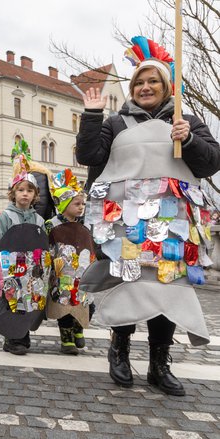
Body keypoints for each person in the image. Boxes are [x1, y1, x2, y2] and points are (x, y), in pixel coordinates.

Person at [76, 36, 220, 396]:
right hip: (126, 222)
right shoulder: (116, 122)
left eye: (152, 81)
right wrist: (93, 116)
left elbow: (209, 163)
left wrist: (189, 140)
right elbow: (90, 156)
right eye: (138, 82)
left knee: (166, 289)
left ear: (166, 85)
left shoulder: (186, 120)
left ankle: (159, 363)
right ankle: (120, 351)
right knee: (129, 285)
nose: (144, 87)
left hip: (172, 224)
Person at [0, 143, 49, 356]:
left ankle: (23, 335)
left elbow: (42, 246)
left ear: (35, 195)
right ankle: (12, 337)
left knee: (29, 301)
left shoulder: (39, 219)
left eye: (29, 190)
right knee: (12, 302)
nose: (25, 194)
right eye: (21, 190)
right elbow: (1, 241)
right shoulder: (7, 216)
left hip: (31, 271)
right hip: (11, 269)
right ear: (13, 193)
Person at [45, 169, 96, 355]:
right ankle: (66, 337)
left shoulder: (85, 224)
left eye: (83, 203)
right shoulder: (52, 224)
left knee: (85, 303)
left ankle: (78, 328)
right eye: (77, 203)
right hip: (61, 273)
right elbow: (47, 245)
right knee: (64, 306)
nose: (81, 207)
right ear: (64, 204)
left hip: (82, 272)